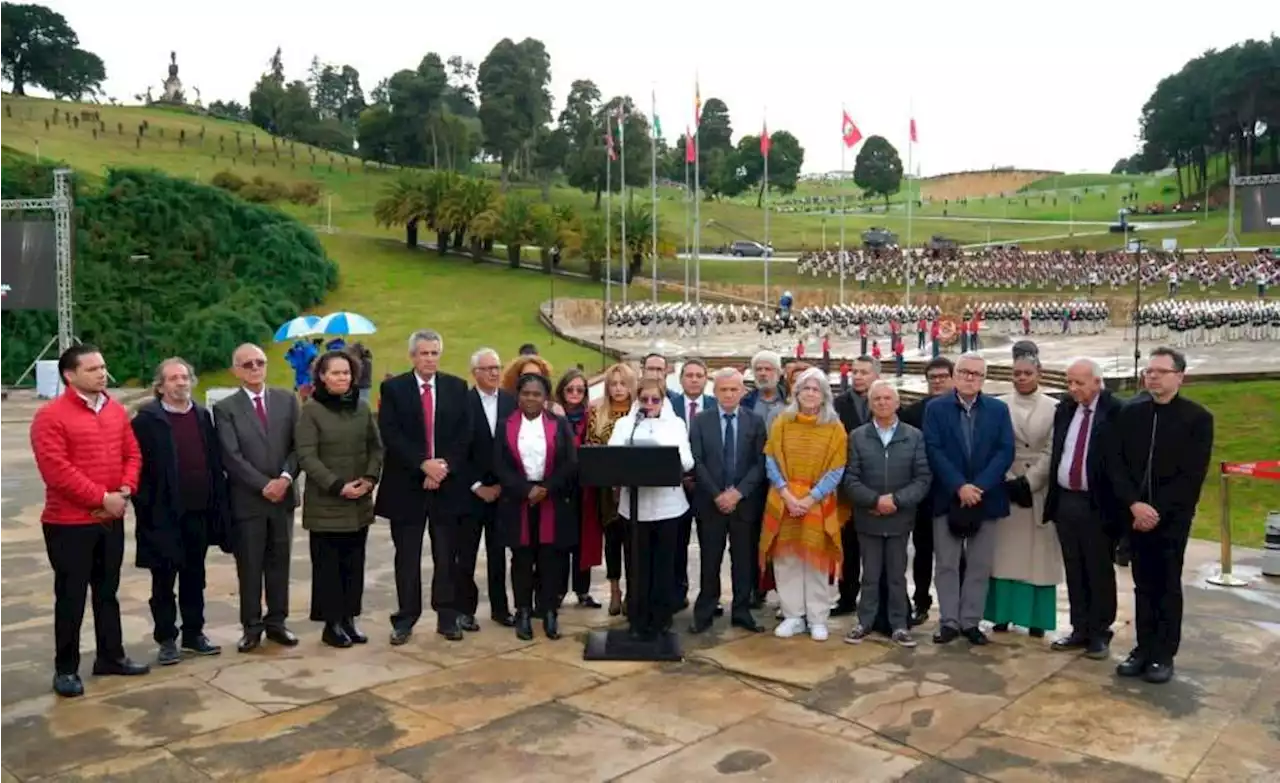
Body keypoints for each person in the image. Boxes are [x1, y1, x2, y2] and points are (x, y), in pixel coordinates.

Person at [31, 345, 148, 698]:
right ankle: (65, 669)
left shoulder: (114, 410)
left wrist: (125, 489)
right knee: (71, 597)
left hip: (110, 518)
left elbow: (133, 453)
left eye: (103, 367)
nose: (102, 374)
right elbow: (57, 472)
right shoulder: (50, 417)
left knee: (107, 592)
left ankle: (110, 656)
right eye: (93, 368)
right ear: (70, 375)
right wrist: (102, 498)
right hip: (69, 523)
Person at [1107, 347, 1213, 684]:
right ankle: (1142, 647)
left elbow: (1191, 475)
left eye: (1160, 371)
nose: (1152, 376)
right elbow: (1115, 463)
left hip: (1171, 518)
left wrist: (1157, 511)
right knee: (1141, 585)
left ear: (1179, 376)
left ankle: (1163, 653)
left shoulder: (1197, 419)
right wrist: (1133, 505)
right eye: (1149, 371)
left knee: (1166, 584)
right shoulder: (1131, 413)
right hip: (1134, 514)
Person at [376, 329, 474, 644]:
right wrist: (423, 464)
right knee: (407, 556)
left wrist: (442, 467)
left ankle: (447, 617)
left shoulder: (457, 388)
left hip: (446, 487)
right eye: (423, 353)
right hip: (406, 486)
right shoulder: (393, 389)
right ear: (412, 356)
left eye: (434, 353)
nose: (429, 358)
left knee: (446, 555)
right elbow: (391, 434)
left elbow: (464, 434)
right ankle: (405, 618)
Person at [131, 357, 229, 666]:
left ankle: (193, 634)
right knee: (163, 581)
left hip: (198, 513)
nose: (181, 383)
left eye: (185, 377)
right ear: (160, 386)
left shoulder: (202, 416)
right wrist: (146, 506)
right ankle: (167, 639)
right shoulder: (145, 421)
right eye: (173, 378)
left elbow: (213, 463)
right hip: (162, 517)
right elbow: (136, 468)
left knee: (194, 577)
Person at [923, 352, 1015, 646]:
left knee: (979, 563)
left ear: (983, 379)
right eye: (964, 372)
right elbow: (933, 449)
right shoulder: (936, 409)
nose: (970, 378)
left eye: (976, 374)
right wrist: (959, 486)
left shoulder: (998, 410)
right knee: (947, 563)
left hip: (985, 498)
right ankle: (949, 621)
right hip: (947, 496)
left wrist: (978, 487)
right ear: (955, 375)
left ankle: (971, 621)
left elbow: (1005, 452)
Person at [214, 343, 301, 653]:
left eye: (259, 362)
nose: (254, 368)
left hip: (283, 498)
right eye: (246, 363)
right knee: (250, 566)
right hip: (249, 501)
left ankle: (277, 622)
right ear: (235, 370)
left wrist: (285, 479)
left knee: (280, 563)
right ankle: (252, 626)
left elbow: (298, 446)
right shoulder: (225, 408)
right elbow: (231, 456)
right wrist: (264, 485)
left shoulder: (287, 401)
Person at [295, 350, 383, 648]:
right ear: (322, 376)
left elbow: (375, 447)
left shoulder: (361, 406)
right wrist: (336, 486)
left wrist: (370, 479)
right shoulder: (311, 409)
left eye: (346, 372)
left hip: (359, 500)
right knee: (328, 567)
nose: (342, 377)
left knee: (353, 563)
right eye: (335, 373)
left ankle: (349, 619)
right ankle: (331, 624)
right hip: (327, 503)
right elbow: (307, 455)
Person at [760, 367, 849, 642]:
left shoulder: (834, 427)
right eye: (805, 389)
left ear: (824, 397)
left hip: (818, 501)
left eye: (816, 390)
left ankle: (817, 617)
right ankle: (792, 616)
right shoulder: (782, 422)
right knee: (787, 559)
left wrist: (810, 498)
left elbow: (837, 469)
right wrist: (787, 494)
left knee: (816, 560)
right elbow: (771, 459)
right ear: (795, 393)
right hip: (784, 499)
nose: (810, 394)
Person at [842, 381, 931, 648]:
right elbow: (850, 478)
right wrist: (874, 500)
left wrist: (896, 500)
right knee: (869, 573)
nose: (882, 403)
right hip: (868, 516)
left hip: (899, 518)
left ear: (897, 403)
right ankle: (864, 621)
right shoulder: (858, 436)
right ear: (870, 404)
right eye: (876, 399)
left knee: (895, 573)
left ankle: (899, 625)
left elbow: (923, 477)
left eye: (887, 398)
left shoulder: (913, 436)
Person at [1045, 357, 1123, 660]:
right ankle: (1079, 627)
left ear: (1097, 382)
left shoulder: (1116, 411)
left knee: (1098, 568)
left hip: (1098, 504)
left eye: (1079, 382)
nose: (1072, 388)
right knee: (1074, 567)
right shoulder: (1065, 409)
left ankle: (1100, 631)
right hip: (1067, 500)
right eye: (1069, 382)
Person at [494, 374, 580, 640]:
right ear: (518, 395)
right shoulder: (505, 425)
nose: (531, 398)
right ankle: (522, 611)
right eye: (526, 393)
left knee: (550, 559)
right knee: (521, 559)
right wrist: (525, 489)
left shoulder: (559, 423)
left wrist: (547, 488)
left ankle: (549, 611)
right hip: (518, 499)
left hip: (550, 499)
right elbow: (499, 465)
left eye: (537, 394)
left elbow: (570, 462)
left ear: (545, 398)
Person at [608, 376, 695, 638]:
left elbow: (687, 461)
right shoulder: (626, 424)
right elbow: (612, 455)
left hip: (668, 507)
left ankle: (661, 618)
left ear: (663, 400)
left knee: (663, 566)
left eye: (655, 400)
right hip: (634, 509)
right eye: (644, 399)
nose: (649, 404)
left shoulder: (675, 424)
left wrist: (665, 459)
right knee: (636, 565)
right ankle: (637, 617)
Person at [986, 343, 1060, 638]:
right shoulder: (999, 404)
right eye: (1016, 373)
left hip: (1038, 489)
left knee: (1037, 556)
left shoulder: (1055, 407)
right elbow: (993, 445)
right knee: (1005, 553)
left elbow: (1053, 449)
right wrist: (1007, 479)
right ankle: (1002, 615)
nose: (1021, 378)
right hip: (1006, 483)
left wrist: (1030, 483)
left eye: (1028, 373)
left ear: (1039, 373)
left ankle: (1036, 619)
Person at [688, 368, 767, 634]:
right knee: (710, 558)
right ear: (715, 391)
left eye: (734, 389)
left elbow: (760, 463)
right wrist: (717, 494)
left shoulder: (755, 422)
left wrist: (738, 493)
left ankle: (742, 610)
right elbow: (696, 461)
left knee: (743, 559)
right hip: (710, 503)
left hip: (744, 504)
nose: (729, 394)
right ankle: (706, 610)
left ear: (742, 391)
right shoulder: (701, 421)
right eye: (724, 389)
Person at [462, 348, 517, 627]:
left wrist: (501, 485)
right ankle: (465, 610)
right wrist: (476, 486)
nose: (495, 373)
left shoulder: (510, 402)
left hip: (502, 492)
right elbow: (456, 450)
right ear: (475, 373)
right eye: (488, 368)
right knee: (466, 555)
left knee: (498, 554)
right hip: (470, 493)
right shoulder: (462, 403)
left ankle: (500, 608)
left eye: (498, 367)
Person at [898, 357, 954, 626]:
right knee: (922, 551)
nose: (938, 381)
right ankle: (921, 601)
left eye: (943, 376)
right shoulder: (912, 413)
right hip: (921, 494)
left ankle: (955, 608)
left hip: (953, 492)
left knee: (955, 554)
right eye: (933, 377)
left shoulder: (962, 409)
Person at [587, 362, 639, 615]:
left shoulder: (639, 413)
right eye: (613, 384)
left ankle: (632, 591)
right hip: (607, 489)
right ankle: (615, 591)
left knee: (633, 542)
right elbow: (592, 445)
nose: (618, 389)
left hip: (634, 487)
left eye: (623, 384)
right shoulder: (597, 411)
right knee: (613, 540)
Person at [832, 355, 880, 618]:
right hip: (846, 487)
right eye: (855, 372)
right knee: (848, 547)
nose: (858, 376)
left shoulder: (884, 401)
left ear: (876, 376)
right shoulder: (838, 405)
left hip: (877, 484)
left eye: (864, 372)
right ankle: (847, 596)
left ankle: (875, 600)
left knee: (874, 549)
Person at [670, 358, 715, 610]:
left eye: (699, 375)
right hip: (676, 485)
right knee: (677, 543)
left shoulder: (715, 404)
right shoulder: (669, 406)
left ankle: (709, 597)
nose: (694, 379)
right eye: (689, 375)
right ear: (681, 379)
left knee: (710, 545)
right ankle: (678, 592)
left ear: (706, 379)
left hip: (707, 487)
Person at [556, 369, 602, 608]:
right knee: (561, 541)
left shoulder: (590, 416)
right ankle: (558, 590)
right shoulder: (552, 415)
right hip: (559, 488)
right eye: (570, 389)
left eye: (580, 390)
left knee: (584, 540)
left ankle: (582, 590)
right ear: (561, 391)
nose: (574, 394)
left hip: (585, 488)